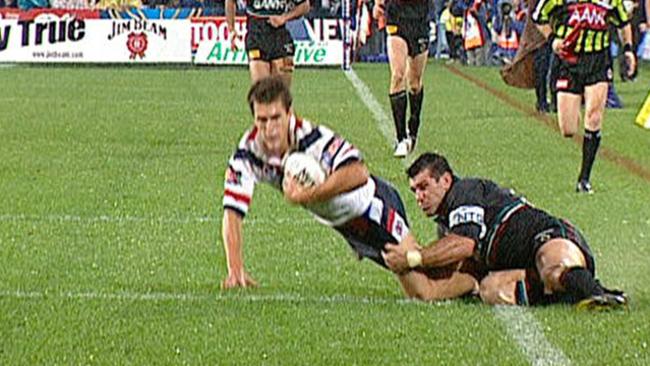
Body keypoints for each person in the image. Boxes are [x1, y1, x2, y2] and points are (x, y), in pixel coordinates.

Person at [221, 77, 479, 301]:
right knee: (421, 280)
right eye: (261, 120)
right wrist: (235, 269)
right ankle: (465, 267)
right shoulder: (247, 154)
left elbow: (358, 172)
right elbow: (232, 211)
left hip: (374, 207)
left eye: (276, 117)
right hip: (347, 226)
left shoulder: (315, 139)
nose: (269, 128)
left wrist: (307, 195)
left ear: (290, 113)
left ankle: (477, 276)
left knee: (424, 291)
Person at [382, 152, 628, 309]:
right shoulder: (446, 226)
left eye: (424, 187)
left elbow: (464, 245)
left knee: (553, 270)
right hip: (526, 265)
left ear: (445, 180)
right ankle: (564, 294)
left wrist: (414, 258)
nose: (419, 196)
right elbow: (458, 270)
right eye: (414, 191)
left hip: (549, 236)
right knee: (489, 290)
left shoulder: (464, 191)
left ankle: (601, 294)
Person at [531, 0, 636, 194]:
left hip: (598, 60)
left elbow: (623, 23)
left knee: (594, 117)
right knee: (568, 129)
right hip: (568, 62)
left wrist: (628, 50)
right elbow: (538, 17)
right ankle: (575, 106)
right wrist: (553, 39)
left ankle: (584, 178)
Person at [372, 0, 430, 158]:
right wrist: (378, 4)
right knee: (398, 75)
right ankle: (401, 138)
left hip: (419, 21)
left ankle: (413, 128)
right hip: (396, 18)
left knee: (415, 83)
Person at [225, 0, 310, 87]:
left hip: (280, 37)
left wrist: (284, 18)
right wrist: (231, 29)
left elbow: (304, 6)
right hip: (256, 36)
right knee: (261, 90)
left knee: (281, 92)